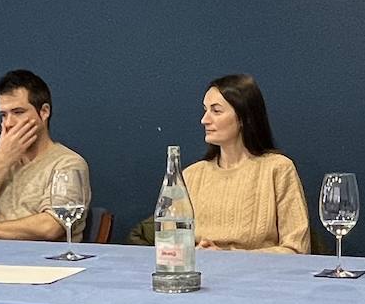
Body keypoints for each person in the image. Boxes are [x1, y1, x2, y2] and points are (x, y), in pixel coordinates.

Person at [128, 74, 309, 253]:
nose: (205, 120)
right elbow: (169, 245)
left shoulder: (278, 169)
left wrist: (228, 256)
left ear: (243, 118)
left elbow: (297, 249)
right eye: (205, 110)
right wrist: (193, 252)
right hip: (200, 275)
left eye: (216, 111)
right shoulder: (191, 175)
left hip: (257, 278)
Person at [0, 70, 89, 241]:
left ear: (44, 112)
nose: (9, 123)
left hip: (44, 262)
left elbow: (50, 227)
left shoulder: (67, 163)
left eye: (18, 112)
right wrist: (3, 160)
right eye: (4, 115)